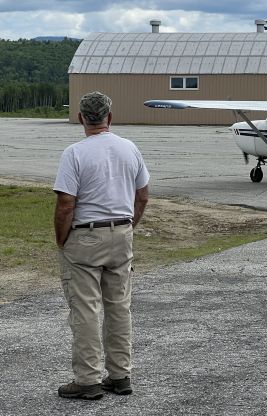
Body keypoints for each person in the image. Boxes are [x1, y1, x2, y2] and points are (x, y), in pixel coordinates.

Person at [53, 91, 150, 400]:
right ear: (110, 117)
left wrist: (62, 240)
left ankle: (88, 379)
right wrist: (128, 226)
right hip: (121, 233)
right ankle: (120, 375)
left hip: (85, 235)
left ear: (82, 118)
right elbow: (143, 196)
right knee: (119, 306)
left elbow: (66, 204)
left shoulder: (75, 153)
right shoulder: (129, 148)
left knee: (85, 308)